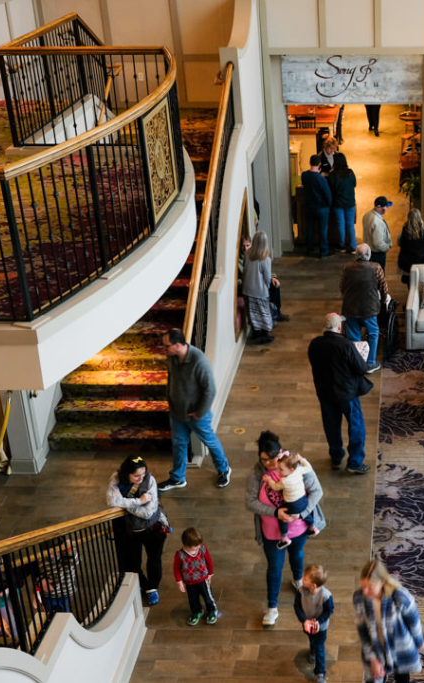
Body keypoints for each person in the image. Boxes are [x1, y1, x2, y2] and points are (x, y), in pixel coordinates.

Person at [245, 430, 326, 626]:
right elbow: (250, 502)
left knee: (297, 554)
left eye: (272, 459)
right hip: (272, 533)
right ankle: (272, 607)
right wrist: (276, 513)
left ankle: (298, 579)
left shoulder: (293, 465)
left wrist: (302, 513)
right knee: (274, 568)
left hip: (298, 528)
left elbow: (317, 491)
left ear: (280, 452)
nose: (269, 464)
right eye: (264, 460)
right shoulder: (257, 473)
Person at [159, 328, 232, 491]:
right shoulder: (172, 357)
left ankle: (224, 469)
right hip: (177, 412)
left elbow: (210, 389)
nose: (164, 349)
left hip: (197, 415)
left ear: (177, 345)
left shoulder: (199, 360)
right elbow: (171, 379)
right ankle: (178, 478)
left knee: (210, 442)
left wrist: (200, 412)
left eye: (166, 346)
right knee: (179, 444)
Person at [308, 313, 373, 474]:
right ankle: (355, 462)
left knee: (331, 426)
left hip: (324, 392)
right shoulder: (345, 345)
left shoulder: (314, 344)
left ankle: (336, 457)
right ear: (339, 327)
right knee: (356, 426)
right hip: (347, 393)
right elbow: (362, 368)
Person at [107, 456, 168, 606]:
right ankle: (145, 586)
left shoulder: (150, 481)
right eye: (136, 475)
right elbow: (111, 501)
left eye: (143, 473)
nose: (141, 478)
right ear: (126, 473)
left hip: (152, 528)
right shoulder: (115, 478)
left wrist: (125, 503)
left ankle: (153, 587)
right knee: (132, 562)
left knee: (154, 559)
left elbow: (148, 513)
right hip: (129, 530)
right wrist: (139, 501)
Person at [353, 559, 424, 683]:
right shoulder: (359, 598)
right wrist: (373, 658)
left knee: (402, 678)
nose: (365, 592)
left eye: (370, 587)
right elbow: (362, 631)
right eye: (363, 586)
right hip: (376, 648)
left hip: (400, 647)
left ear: (382, 582)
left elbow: (414, 621)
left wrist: (419, 641)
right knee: (374, 678)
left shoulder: (400, 597)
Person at [340, 244, 388, 374]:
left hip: (350, 307)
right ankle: (370, 363)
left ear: (356, 255)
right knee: (373, 333)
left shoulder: (347, 268)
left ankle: (356, 362)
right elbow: (383, 287)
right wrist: (384, 299)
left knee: (353, 336)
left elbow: (342, 287)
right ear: (369, 255)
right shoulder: (376, 268)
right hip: (369, 308)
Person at [263, 450, 319, 547]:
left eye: (281, 469)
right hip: (304, 500)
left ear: (291, 469)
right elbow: (308, 467)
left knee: (282, 516)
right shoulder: (299, 470)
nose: (279, 472)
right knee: (306, 513)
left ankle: (284, 538)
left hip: (293, 505)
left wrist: (269, 480)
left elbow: (275, 487)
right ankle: (313, 527)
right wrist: (301, 459)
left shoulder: (284, 481)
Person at [295, 564, 334, 683]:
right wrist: (304, 620)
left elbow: (329, 610)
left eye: (305, 578)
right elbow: (297, 606)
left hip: (321, 628)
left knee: (320, 648)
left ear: (313, 585)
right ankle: (312, 649)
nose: (302, 579)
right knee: (311, 639)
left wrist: (319, 621)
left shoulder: (326, 595)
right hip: (307, 624)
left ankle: (320, 673)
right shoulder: (301, 591)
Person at [173, 526, 219, 625]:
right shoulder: (180, 555)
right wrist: (179, 582)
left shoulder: (202, 549)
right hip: (189, 582)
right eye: (196, 546)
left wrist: (210, 574)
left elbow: (209, 561)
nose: (199, 546)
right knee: (192, 599)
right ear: (187, 545)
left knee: (208, 597)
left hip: (203, 580)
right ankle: (197, 611)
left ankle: (212, 610)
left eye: (199, 544)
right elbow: (176, 569)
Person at [242, 230, 277, 345]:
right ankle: (264, 334)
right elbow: (267, 277)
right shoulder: (265, 259)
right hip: (260, 291)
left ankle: (256, 332)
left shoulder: (247, 255)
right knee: (264, 312)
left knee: (252, 312)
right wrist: (267, 287)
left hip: (247, 289)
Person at [35, 536, 79, 615]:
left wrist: (69, 547)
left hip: (64, 592)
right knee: (50, 614)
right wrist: (41, 582)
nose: (53, 555)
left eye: (56, 551)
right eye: (49, 553)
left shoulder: (67, 558)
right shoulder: (43, 560)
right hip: (49, 594)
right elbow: (39, 574)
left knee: (64, 613)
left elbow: (74, 560)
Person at [302, 155, 332, 258]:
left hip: (309, 206)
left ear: (310, 163)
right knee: (323, 229)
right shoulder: (321, 179)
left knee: (310, 228)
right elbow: (327, 194)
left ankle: (309, 248)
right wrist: (329, 203)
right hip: (321, 207)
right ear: (319, 164)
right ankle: (324, 250)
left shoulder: (304, 175)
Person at [329, 153, 358, 253]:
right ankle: (353, 245)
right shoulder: (350, 173)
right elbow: (354, 184)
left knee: (340, 224)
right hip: (350, 202)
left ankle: (341, 245)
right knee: (350, 224)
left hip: (338, 203)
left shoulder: (333, 175)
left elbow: (331, 187)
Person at [397, 208, 424, 286]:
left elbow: (399, 242)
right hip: (420, 261)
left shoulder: (403, 231)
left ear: (408, 218)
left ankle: (411, 294)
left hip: (406, 262)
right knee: (420, 282)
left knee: (410, 283)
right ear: (420, 218)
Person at [362, 196, 393, 272]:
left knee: (371, 277)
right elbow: (378, 243)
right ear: (382, 208)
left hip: (368, 252)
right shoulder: (377, 222)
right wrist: (387, 247)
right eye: (385, 207)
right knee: (379, 278)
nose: (386, 209)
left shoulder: (367, 215)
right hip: (377, 255)